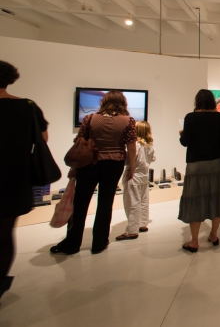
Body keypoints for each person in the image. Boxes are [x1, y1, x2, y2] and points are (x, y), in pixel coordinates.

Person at [51, 91, 137, 255]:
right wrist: (131, 168)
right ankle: (99, 243)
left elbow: (79, 141)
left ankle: (72, 243)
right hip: (114, 165)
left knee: (80, 203)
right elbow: (131, 147)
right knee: (105, 203)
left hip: (89, 164)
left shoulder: (89, 118)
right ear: (123, 103)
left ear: (103, 102)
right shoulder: (128, 121)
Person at [0, 61, 49, 300]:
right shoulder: (27, 107)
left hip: (13, 179)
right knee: (5, 234)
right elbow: (42, 139)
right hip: (14, 178)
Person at [178, 90, 220, 252]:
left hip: (196, 165)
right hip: (217, 164)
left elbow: (185, 142)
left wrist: (182, 134)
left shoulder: (190, 118)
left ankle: (194, 241)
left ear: (197, 102)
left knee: (195, 200)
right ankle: (214, 235)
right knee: (217, 198)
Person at [116, 121, 155, 241]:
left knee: (132, 203)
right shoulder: (149, 145)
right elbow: (152, 159)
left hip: (133, 177)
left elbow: (129, 160)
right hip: (144, 177)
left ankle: (132, 231)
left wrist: (131, 168)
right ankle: (142, 224)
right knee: (143, 201)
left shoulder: (136, 145)